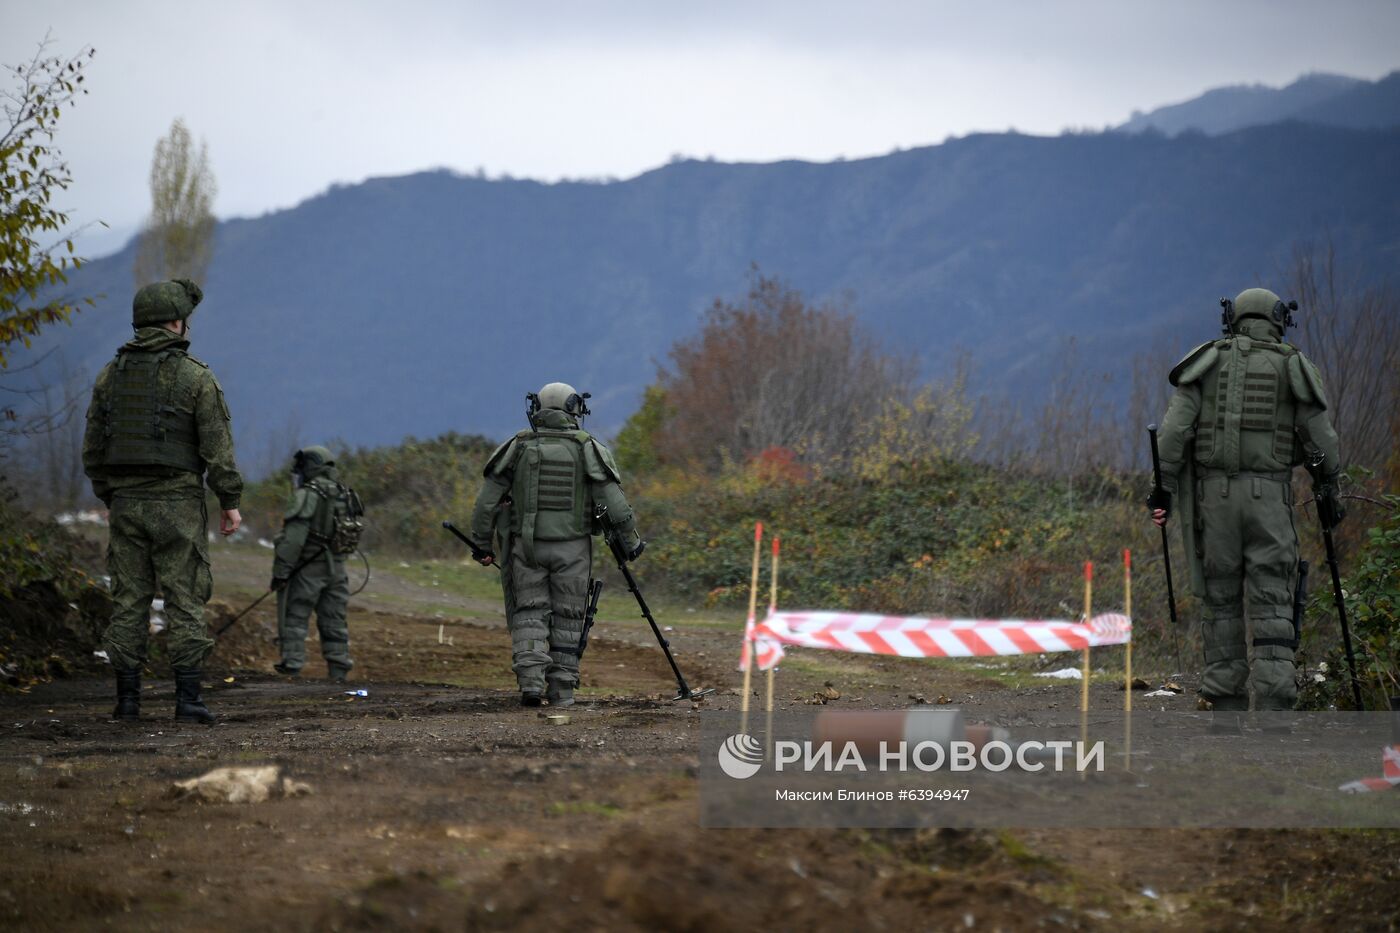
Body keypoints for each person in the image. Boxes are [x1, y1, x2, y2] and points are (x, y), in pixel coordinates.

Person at [1150, 287, 1342, 713]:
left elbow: (1172, 436)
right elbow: (1324, 444)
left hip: (1213, 502)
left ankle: (1224, 703)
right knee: (1272, 598)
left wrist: (1161, 492)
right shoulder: (1292, 366)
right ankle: (1274, 706)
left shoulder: (1206, 362)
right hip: (1270, 501)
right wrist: (1330, 484)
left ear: (1233, 318)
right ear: (1277, 319)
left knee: (1220, 601)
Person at [83, 279, 243, 724]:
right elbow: (217, 448)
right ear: (177, 322)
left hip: (127, 504)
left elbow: (93, 449)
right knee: (185, 598)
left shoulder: (109, 375)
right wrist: (229, 500)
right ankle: (188, 701)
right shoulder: (196, 376)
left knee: (129, 600)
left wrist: (110, 494)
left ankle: (128, 701)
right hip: (178, 506)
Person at [465, 383, 643, 707]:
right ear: (574, 409)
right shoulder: (586, 448)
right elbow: (615, 505)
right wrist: (632, 543)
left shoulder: (517, 447)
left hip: (526, 547)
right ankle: (562, 691)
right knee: (569, 616)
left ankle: (531, 685)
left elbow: (485, 503)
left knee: (529, 612)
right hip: (572, 550)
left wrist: (481, 544)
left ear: (537, 409)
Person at [270, 445, 363, 682]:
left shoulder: (306, 495)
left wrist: (281, 572)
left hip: (309, 569)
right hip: (338, 568)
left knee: (295, 617)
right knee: (334, 619)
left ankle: (292, 667)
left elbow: (293, 541)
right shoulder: (344, 493)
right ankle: (339, 670)